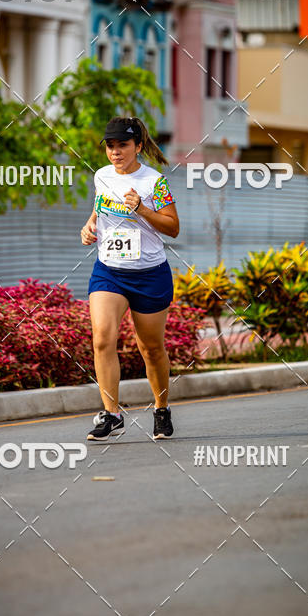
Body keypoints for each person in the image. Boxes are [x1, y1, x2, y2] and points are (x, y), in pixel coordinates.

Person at [80, 116, 180, 442]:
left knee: (150, 348)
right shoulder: (102, 176)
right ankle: (111, 414)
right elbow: (100, 204)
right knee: (102, 338)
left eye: (122, 145)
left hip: (150, 274)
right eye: (110, 146)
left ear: (138, 146)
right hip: (109, 271)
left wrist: (142, 210)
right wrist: (90, 224)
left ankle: (161, 408)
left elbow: (173, 228)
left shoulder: (154, 182)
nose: (115, 152)